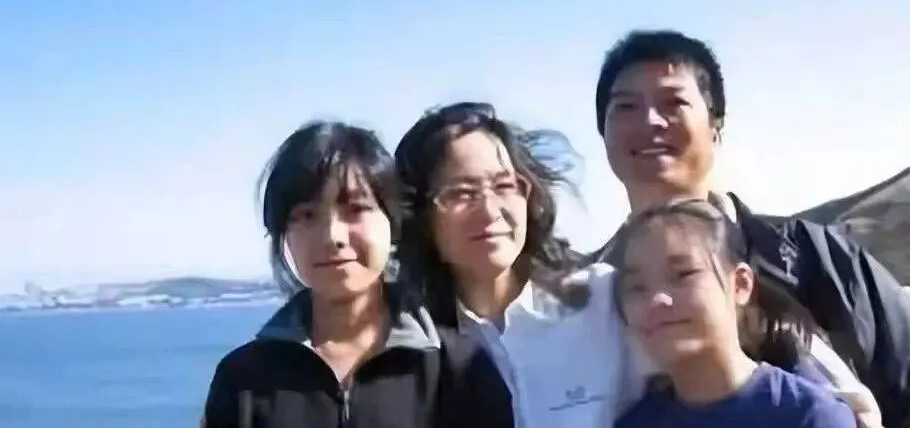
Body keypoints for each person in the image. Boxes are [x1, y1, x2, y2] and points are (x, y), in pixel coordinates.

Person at [592, 29, 910, 428]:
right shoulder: (589, 293)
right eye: (626, 107)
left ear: (716, 130)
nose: (650, 121)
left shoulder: (813, 258)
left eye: (674, 102)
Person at [201, 121, 513, 428]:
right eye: (307, 215)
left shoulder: (459, 368)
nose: (332, 236)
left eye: (355, 209)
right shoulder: (243, 382)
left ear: (392, 222)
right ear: (283, 235)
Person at [393, 102, 645, 428]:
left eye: (504, 186)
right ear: (419, 214)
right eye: (461, 193)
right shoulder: (407, 347)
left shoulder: (602, 300)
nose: (489, 211)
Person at [611, 200, 857, 428]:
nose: (656, 299)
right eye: (636, 287)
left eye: (683, 274)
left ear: (740, 284)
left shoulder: (809, 415)